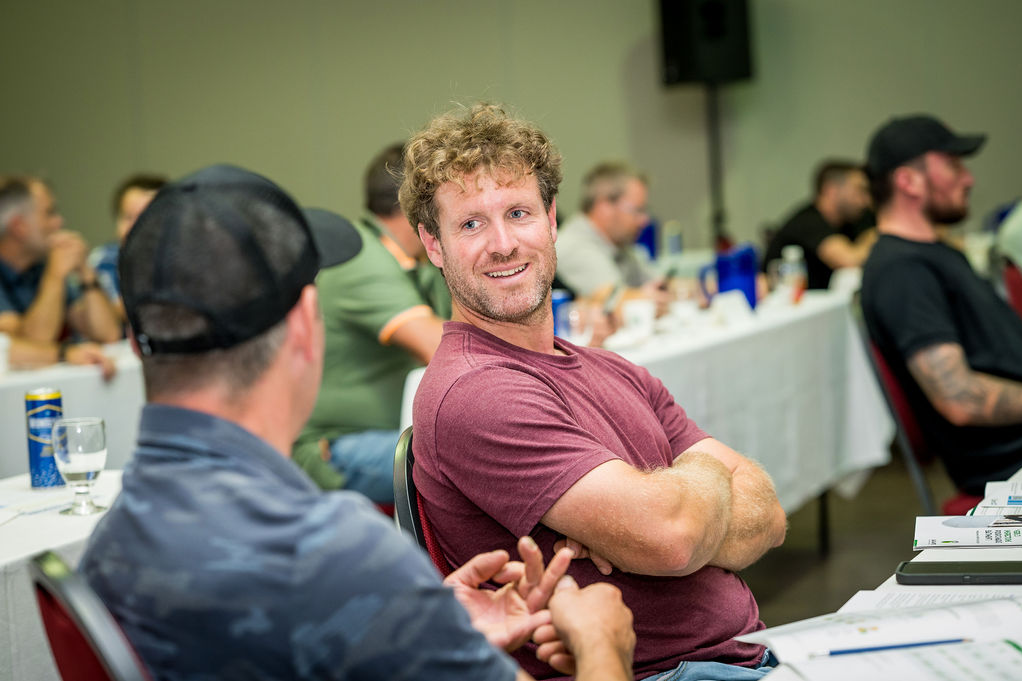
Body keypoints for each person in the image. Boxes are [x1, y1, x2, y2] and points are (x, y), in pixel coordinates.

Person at [79, 164, 635, 681]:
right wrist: (602, 641)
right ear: (305, 325)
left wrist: (409, 621)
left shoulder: (112, 541)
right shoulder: (330, 553)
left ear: (135, 341)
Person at [400, 103, 786, 680]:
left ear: (552, 219)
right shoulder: (475, 391)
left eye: (519, 213)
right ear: (433, 245)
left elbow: (770, 516)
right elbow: (674, 538)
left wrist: (670, 503)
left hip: (749, 653)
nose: (503, 244)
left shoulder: (613, 369)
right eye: (471, 224)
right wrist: (700, 481)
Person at [861, 114, 1022, 495]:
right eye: (953, 166)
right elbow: (958, 398)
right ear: (908, 181)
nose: (968, 179)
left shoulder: (935, 253)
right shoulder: (901, 272)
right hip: (1010, 467)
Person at [293, 144, 449, 497]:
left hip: (385, 432)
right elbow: (442, 349)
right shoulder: (364, 259)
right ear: (419, 203)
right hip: (334, 447)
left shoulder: (406, 258)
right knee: (467, 458)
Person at [0, 175, 122, 345]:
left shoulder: (39, 268)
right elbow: (31, 344)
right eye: (49, 213)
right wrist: (54, 276)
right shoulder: (51, 271)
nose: (59, 221)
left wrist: (85, 272)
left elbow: (108, 334)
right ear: (19, 227)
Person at [555, 162, 671, 309]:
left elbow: (658, 283)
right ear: (605, 208)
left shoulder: (618, 245)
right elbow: (613, 302)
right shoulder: (574, 246)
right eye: (637, 210)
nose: (645, 220)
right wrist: (650, 298)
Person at [763, 160, 874, 290]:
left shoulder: (855, 220)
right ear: (831, 190)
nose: (866, 199)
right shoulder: (807, 221)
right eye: (859, 190)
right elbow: (849, 260)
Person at [87, 173, 168, 312]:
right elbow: (109, 313)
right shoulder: (105, 260)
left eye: (145, 217)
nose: (134, 227)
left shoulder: (183, 257)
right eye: (128, 217)